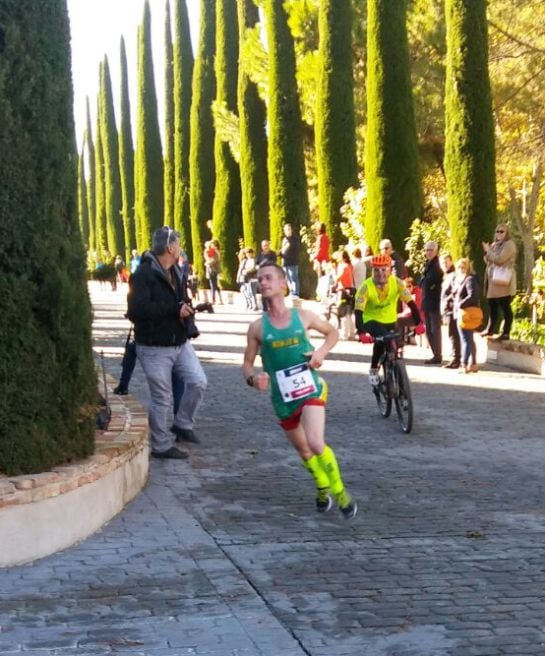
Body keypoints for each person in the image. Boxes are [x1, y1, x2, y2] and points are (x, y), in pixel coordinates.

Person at [242, 263, 357, 519]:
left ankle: (340, 493)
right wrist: (254, 378)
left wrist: (319, 354)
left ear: (283, 284)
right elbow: (247, 364)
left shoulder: (302, 316)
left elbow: (332, 333)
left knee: (316, 442)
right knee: (304, 450)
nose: (263, 282)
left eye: (268, 278)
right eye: (260, 279)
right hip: (282, 399)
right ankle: (322, 486)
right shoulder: (257, 328)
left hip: (310, 389)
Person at [127, 226, 207, 460]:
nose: (180, 248)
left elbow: (180, 300)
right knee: (162, 396)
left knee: (198, 381)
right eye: (179, 244)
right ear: (170, 247)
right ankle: (161, 445)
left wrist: (187, 306)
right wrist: (174, 309)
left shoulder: (177, 271)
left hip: (179, 342)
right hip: (153, 347)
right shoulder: (143, 274)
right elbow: (136, 310)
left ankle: (182, 424)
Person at [354, 254, 421, 387]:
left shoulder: (397, 283)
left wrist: (419, 323)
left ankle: (396, 368)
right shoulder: (365, 287)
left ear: (390, 270)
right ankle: (374, 369)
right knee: (381, 340)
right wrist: (361, 332)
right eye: (377, 270)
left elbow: (412, 304)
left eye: (384, 270)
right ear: (372, 271)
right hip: (371, 320)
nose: (381, 274)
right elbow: (358, 312)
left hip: (390, 320)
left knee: (396, 343)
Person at [481, 223, 517, 340]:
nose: (499, 234)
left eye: (502, 231)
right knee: (492, 306)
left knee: (505, 305)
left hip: (503, 280)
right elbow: (489, 260)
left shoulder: (509, 245)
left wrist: (489, 252)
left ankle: (506, 332)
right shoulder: (494, 245)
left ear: (507, 233)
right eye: (497, 231)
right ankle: (490, 329)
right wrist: (488, 252)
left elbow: (500, 260)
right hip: (493, 280)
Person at [454, 258, 481, 373]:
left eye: (463, 267)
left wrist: (460, 304)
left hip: (466, 312)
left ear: (468, 267)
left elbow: (472, 295)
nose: (461, 269)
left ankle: (464, 364)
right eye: (459, 267)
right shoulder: (461, 279)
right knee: (469, 339)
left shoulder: (469, 279)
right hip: (463, 312)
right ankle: (473, 363)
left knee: (465, 339)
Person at [420, 241, 443, 365]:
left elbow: (435, 282)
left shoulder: (437, 265)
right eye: (427, 250)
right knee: (428, 329)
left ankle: (437, 355)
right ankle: (435, 353)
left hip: (434, 301)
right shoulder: (427, 264)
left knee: (435, 329)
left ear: (436, 251)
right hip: (427, 300)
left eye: (430, 250)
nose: (428, 252)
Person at [440, 254, 461, 369]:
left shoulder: (453, 275)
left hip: (451, 309)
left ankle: (456, 359)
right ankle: (456, 358)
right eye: (443, 262)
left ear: (451, 262)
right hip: (447, 309)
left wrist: (448, 302)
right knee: (451, 334)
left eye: (447, 262)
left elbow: (454, 291)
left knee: (453, 334)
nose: (445, 264)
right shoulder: (446, 275)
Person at [334, 250, 356, 340]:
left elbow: (338, 278)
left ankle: (345, 334)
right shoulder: (350, 266)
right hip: (351, 290)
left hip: (344, 291)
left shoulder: (343, 267)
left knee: (344, 313)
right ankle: (352, 333)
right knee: (350, 313)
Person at [256, 240, 277, 311]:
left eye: (267, 245)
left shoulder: (272, 254)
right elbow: (256, 264)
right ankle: (265, 308)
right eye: (264, 246)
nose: (266, 247)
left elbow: (273, 263)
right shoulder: (260, 255)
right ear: (262, 247)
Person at [280, 223, 300, 297]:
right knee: (288, 278)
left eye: (288, 229)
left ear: (291, 230)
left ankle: (295, 293)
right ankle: (291, 292)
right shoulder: (284, 239)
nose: (287, 231)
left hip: (293, 262)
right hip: (285, 262)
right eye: (285, 230)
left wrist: (286, 249)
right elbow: (283, 251)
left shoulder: (295, 239)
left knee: (293, 278)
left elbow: (295, 250)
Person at [204, 239, 223, 305]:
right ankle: (219, 299)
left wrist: (208, 263)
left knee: (213, 285)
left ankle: (213, 300)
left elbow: (215, 259)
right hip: (210, 270)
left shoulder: (213, 251)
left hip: (213, 270)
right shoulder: (209, 251)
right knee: (214, 285)